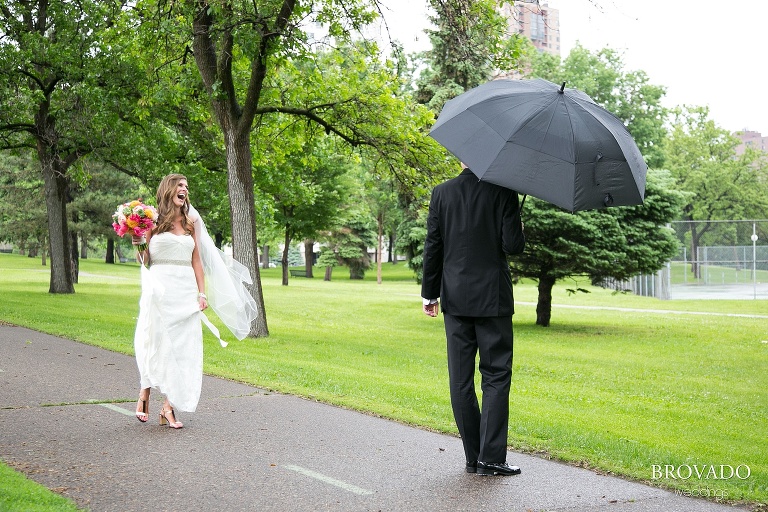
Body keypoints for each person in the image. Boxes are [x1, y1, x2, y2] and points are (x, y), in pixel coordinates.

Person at [421, 162, 525, 476]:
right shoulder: (503, 191)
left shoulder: (442, 193)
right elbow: (513, 246)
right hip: (492, 300)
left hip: (455, 299)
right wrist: (515, 217)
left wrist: (430, 294)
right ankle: (491, 458)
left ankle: (474, 456)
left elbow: (433, 246)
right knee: (495, 376)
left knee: (460, 380)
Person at [133, 174, 258, 429]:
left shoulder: (191, 222)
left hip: (185, 288)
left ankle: (168, 407)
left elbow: (197, 261)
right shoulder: (151, 220)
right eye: (180, 185)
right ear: (169, 189)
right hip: (159, 286)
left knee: (182, 347)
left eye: (186, 187)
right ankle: (144, 391)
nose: (184, 190)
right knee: (152, 339)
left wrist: (202, 293)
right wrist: (137, 242)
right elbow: (145, 261)